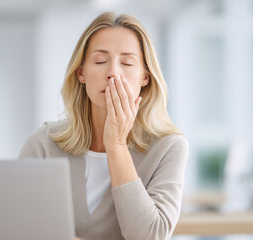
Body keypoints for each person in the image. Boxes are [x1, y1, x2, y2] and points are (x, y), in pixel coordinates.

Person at [19, 12, 188, 240]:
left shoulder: (169, 148)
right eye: (100, 61)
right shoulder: (44, 142)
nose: (113, 73)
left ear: (145, 78)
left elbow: (150, 236)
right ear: (81, 74)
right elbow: (17, 227)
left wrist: (116, 145)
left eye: (127, 63)